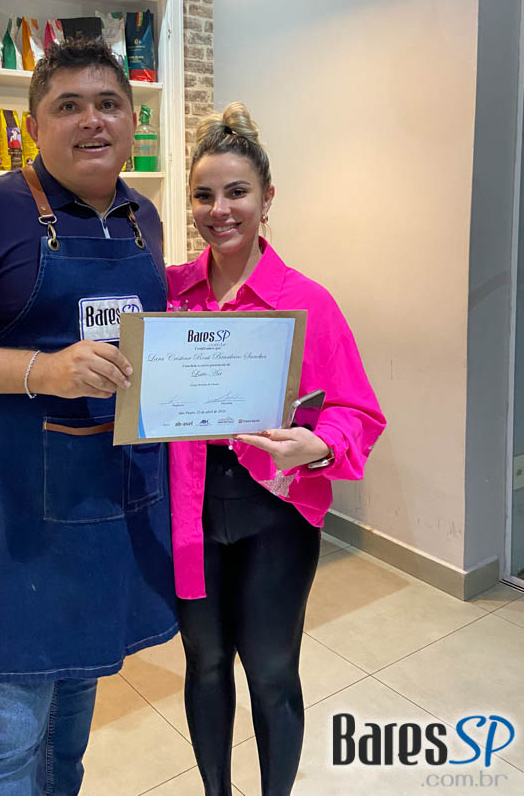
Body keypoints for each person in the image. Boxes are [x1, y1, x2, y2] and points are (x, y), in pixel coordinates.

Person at [0, 38, 177, 796]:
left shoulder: (144, 217)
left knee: (77, 701)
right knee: (11, 725)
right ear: (35, 125)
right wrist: (41, 370)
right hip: (9, 506)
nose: (92, 121)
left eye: (108, 103)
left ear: (131, 119)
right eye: (69, 106)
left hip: (106, 494)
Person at [166, 102, 386, 796]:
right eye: (204, 195)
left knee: (270, 670)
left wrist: (316, 446)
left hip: (275, 515)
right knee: (205, 664)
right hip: (190, 509)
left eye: (236, 192)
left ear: (267, 198)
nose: (219, 210)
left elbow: (358, 412)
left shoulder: (307, 301)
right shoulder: (169, 296)